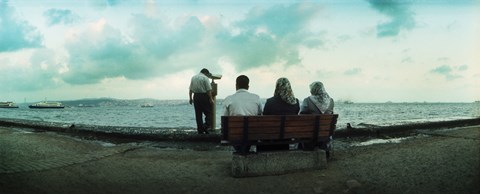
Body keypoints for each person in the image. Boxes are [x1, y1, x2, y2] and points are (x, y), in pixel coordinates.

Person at [222, 75, 262, 153]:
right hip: (252, 135)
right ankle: (244, 151)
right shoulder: (256, 98)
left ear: (236, 86)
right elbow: (260, 115)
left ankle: (241, 152)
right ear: (248, 86)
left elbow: (225, 119)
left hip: (234, 134)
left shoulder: (228, 99)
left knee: (235, 133)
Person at [261, 77, 300, 151]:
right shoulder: (296, 102)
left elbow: (265, 117)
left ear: (277, 87)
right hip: (288, 136)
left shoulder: (270, 102)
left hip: (272, 136)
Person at [299, 81, 334, 156]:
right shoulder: (331, 101)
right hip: (326, 135)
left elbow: (300, 117)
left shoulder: (307, 100)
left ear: (313, 90)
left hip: (311, 136)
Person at [189, 68, 214, 134]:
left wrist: (190, 98)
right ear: (206, 73)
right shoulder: (205, 78)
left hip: (196, 96)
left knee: (198, 114)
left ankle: (200, 130)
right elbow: (208, 90)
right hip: (203, 96)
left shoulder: (193, 77)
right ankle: (205, 126)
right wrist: (211, 99)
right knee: (209, 113)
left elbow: (190, 89)